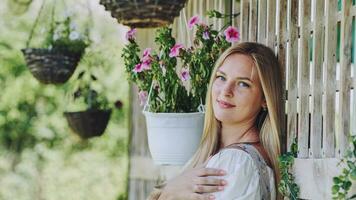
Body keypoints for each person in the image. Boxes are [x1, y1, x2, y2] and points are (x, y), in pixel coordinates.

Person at [148, 42, 284, 200]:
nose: (226, 91)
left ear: (265, 99)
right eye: (221, 77)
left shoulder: (236, 163)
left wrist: (167, 194)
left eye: (243, 84)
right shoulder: (227, 157)